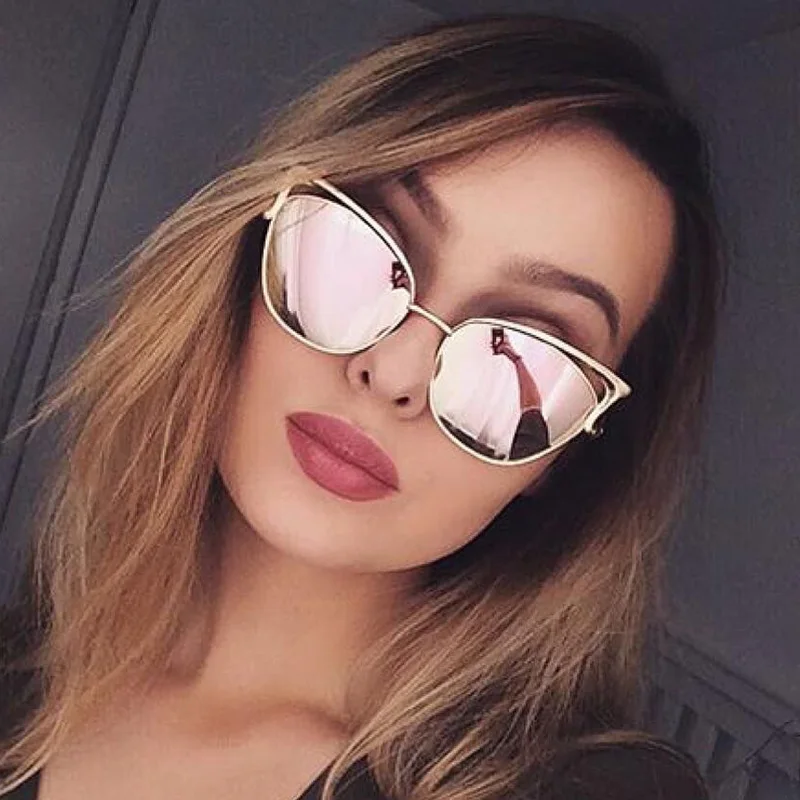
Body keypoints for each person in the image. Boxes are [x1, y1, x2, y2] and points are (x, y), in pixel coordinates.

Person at [0, 12, 722, 800]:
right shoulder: (21, 667)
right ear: (245, 259)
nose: (394, 372)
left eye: (524, 354)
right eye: (360, 249)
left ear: (568, 453)